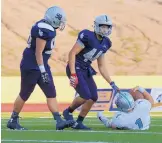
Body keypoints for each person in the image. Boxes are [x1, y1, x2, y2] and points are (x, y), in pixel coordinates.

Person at [7, 6, 74, 130]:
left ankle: (59, 121)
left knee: (51, 92)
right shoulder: (45, 29)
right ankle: (13, 120)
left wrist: (43, 69)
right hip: (32, 65)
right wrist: (43, 71)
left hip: (41, 64)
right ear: (53, 20)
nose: (61, 24)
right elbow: (38, 52)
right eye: (59, 21)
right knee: (25, 93)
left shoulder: (45, 26)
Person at [63, 14, 119, 130]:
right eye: (103, 26)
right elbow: (72, 53)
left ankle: (79, 122)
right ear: (97, 26)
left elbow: (101, 66)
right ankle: (68, 111)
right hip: (76, 66)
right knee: (85, 95)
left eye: (107, 27)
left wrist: (111, 82)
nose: (105, 29)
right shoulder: (87, 36)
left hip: (85, 69)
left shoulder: (106, 43)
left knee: (93, 97)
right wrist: (73, 73)